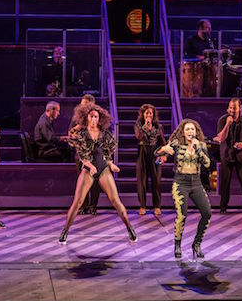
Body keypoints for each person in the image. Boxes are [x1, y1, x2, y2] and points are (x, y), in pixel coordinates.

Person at [59, 103, 136, 244]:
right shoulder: (82, 134)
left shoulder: (104, 134)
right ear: (86, 117)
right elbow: (81, 155)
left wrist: (111, 164)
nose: (94, 119)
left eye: (96, 117)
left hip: (103, 169)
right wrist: (89, 166)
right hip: (88, 169)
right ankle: (65, 231)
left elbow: (107, 153)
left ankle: (130, 229)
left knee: (115, 200)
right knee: (78, 202)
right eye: (91, 116)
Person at [156, 119, 212, 259]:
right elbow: (158, 154)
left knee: (207, 213)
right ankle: (178, 244)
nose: (190, 132)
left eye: (192, 129)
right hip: (181, 183)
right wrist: (163, 150)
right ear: (183, 131)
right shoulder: (177, 144)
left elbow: (207, 164)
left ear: (196, 131)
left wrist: (198, 149)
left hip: (196, 183)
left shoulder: (201, 145)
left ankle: (197, 243)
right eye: (187, 129)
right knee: (182, 215)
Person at [215, 98, 242, 213]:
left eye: (234, 108)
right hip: (226, 154)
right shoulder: (222, 120)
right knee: (225, 182)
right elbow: (221, 138)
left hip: (240, 155)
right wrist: (227, 124)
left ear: (239, 108)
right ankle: (223, 207)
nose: (231, 110)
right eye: (230, 107)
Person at [71, 94, 101, 215]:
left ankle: (93, 206)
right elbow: (71, 133)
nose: (81, 107)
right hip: (81, 154)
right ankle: (83, 206)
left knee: (95, 182)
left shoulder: (98, 117)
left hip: (95, 154)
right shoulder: (76, 118)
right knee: (82, 181)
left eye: (84, 105)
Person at [135, 103, 166, 218]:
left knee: (156, 180)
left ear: (153, 115)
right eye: (146, 113)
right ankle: (142, 206)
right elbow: (139, 137)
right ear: (143, 114)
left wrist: (164, 155)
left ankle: (157, 206)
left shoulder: (158, 126)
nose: (148, 115)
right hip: (142, 153)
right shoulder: (138, 125)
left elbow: (163, 142)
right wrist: (146, 126)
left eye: (150, 113)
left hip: (155, 153)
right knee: (142, 180)